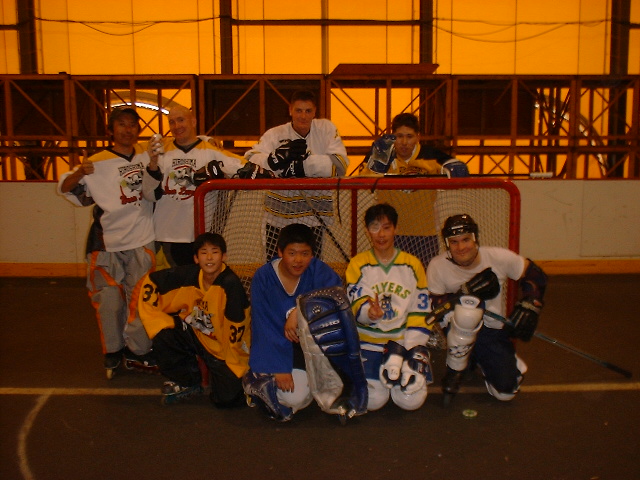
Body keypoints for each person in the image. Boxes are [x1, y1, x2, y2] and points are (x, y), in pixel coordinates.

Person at [57, 106, 157, 378]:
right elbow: (66, 189)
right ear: (111, 130)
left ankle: (138, 350)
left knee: (140, 300)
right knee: (110, 301)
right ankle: (113, 351)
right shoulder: (96, 162)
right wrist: (80, 172)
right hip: (105, 244)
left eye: (132, 124)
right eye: (121, 124)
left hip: (142, 240)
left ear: (138, 129)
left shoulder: (147, 156)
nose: (127, 129)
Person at [427, 213, 547, 404]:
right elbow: (435, 305)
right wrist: (465, 293)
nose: (461, 247)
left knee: (505, 393)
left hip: (491, 330)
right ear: (447, 244)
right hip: (456, 329)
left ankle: (487, 358)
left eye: (466, 240)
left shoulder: (497, 257)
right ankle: (456, 368)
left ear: (475, 238)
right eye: (454, 242)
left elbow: (534, 274)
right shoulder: (437, 265)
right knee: (468, 311)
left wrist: (531, 303)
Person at [142, 105, 272, 267]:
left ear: (193, 121)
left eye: (181, 120)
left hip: (202, 237)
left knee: (201, 281)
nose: (176, 126)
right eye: (172, 122)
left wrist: (267, 168)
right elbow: (150, 195)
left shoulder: (212, 151)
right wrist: (153, 164)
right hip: (167, 235)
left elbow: (248, 169)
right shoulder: (160, 152)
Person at [243, 223, 343, 421]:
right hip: (275, 346)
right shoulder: (264, 277)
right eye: (292, 253)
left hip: (307, 345)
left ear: (312, 254)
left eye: (305, 254)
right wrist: (279, 367)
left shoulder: (317, 270)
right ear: (280, 252)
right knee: (295, 398)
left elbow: (337, 296)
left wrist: (300, 309)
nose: (298, 260)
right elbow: (263, 326)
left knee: (330, 388)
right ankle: (257, 379)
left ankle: (285, 380)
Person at [137, 232, 250, 406]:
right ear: (196, 258)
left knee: (227, 400)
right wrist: (157, 320)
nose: (209, 257)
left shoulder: (230, 285)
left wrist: (234, 367)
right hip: (195, 333)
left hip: (222, 348)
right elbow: (151, 282)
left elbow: (236, 333)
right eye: (204, 253)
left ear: (224, 257)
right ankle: (187, 381)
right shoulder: (188, 275)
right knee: (163, 333)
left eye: (215, 252)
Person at [345, 203, 435, 412]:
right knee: (373, 400)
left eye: (386, 227)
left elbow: (420, 310)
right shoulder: (358, 264)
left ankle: (399, 374)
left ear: (395, 229)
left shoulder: (412, 264)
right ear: (367, 230)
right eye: (375, 227)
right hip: (369, 343)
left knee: (410, 400)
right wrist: (370, 313)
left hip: (402, 342)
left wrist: (412, 348)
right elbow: (357, 304)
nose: (381, 234)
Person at [244, 90, 350, 261]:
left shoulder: (326, 129)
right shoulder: (275, 134)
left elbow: (340, 165)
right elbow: (249, 160)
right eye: (298, 110)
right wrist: (273, 160)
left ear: (315, 112)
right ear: (290, 110)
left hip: (314, 217)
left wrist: (301, 167)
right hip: (277, 217)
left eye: (308, 111)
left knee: (309, 266)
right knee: (274, 264)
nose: (303, 116)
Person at [360, 112, 469, 177]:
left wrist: (454, 170)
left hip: (425, 208)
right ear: (392, 136)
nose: (404, 142)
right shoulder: (380, 154)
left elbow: (458, 170)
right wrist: (375, 169)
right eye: (399, 136)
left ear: (418, 137)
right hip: (389, 208)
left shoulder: (432, 155)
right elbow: (361, 183)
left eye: (409, 136)